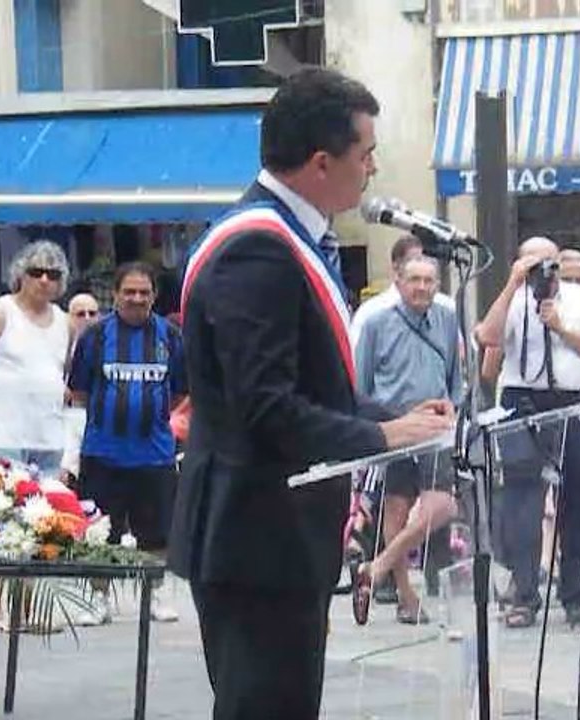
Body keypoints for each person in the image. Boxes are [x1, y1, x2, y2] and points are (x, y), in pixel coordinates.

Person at [169, 68, 453, 720]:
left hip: (281, 537)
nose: (373, 169)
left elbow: (310, 388)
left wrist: (396, 417)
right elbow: (264, 406)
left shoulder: (290, 238)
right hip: (256, 536)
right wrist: (381, 437)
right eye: (366, 154)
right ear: (321, 162)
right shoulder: (257, 252)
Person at [475, 236, 580, 629]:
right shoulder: (514, 298)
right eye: (534, 264)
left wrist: (561, 327)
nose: (544, 272)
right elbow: (488, 336)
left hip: (572, 400)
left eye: (549, 263)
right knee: (522, 503)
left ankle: (577, 596)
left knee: (577, 501)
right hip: (523, 399)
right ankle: (523, 594)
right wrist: (512, 284)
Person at [0, 240, 71, 632]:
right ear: (20, 274)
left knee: (38, 522)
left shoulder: (64, 321)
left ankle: (28, 611)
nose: (44, 280)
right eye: (37, 272)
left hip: (47, 434)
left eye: (53, 274)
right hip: (3, 431)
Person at [69, 265, 185, 625]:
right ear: (116, 295)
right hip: (103, 453)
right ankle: (97, 599)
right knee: (101, 532)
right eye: (129, 292)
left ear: (154, 295)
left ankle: (155, 596)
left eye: (144, 292)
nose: (137, 299)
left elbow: (181, 389)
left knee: (157, 532)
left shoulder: (171, 336)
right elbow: (79, 390)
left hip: (155, 454)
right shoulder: (96, 337)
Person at [353, 255, 462, 625]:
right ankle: (405, 594)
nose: (422, 287)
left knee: (443, 505)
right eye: (414, 279)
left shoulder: (447, 319)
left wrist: (454, 408)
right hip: (393, 425)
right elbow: (361, 384)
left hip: (435, 427)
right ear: (398, 281)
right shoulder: (375, 322)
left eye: (429, 280)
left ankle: (379, 565)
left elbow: (454, 375)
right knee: (396, 511)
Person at [349, 234, 454, 348]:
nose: (420, 267)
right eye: (415, 262)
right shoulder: (370, 313)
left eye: (425, 261)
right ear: (396, 268)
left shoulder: (447, 310)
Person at [59, 293, 99, 487]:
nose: (87, 319)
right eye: (80, 314)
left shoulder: (109, 346)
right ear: (68, 317)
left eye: (92, 313)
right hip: (63, 419)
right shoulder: (58, 347)